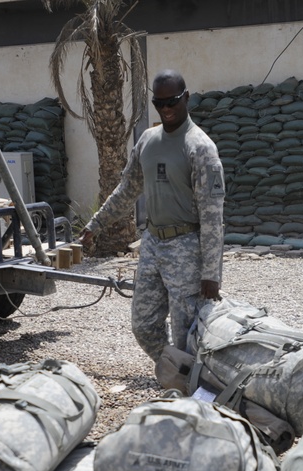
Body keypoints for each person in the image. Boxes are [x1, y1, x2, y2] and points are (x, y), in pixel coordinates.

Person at [80, 70, 226, 362]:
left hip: (186, 247)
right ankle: (173, 369)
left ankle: (190, 391)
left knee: (188, 331)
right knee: (143, 325)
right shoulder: (147, 140)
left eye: (172, 102)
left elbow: (212, 217)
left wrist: (211, 273)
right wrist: (95, 225)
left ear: (186, 97)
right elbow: (126, 191)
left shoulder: (200, 148)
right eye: (159, 104)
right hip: (152, 244)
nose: (166, 109)